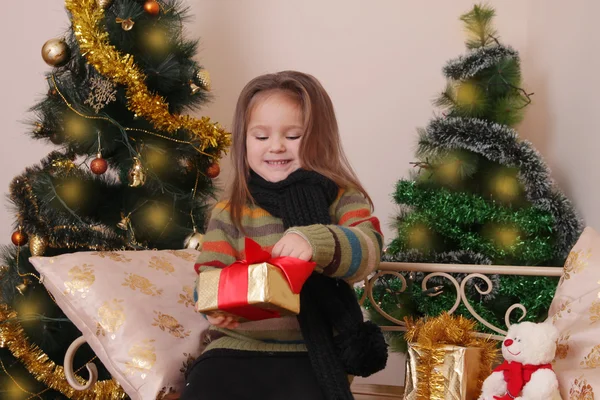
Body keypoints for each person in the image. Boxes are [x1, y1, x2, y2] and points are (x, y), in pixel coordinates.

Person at [182, 71, 387, 400]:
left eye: (292, 136)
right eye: (260, 137)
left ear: (320, 138)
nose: (276, 146)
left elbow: (369, 250)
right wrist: (216, 305)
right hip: (237, 347)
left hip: (311, 354)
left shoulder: (341, 197)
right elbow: (209, 274)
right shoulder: (231, 211)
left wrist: (315, 241)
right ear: (244, 141)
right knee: (204, 386)